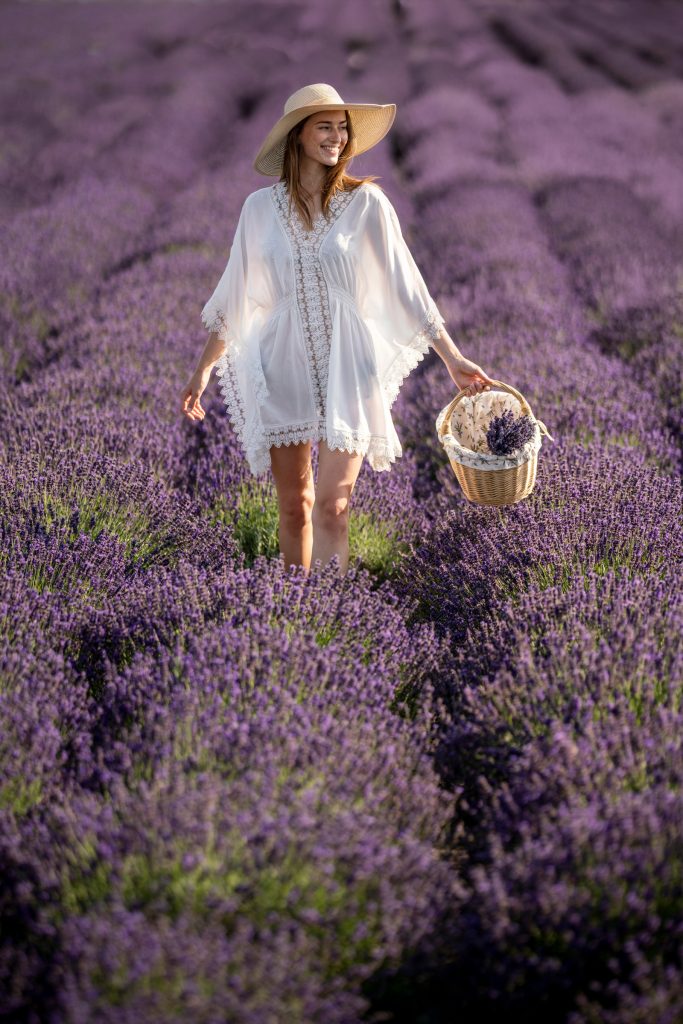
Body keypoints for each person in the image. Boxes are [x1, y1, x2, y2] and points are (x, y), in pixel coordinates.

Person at [181, 83, 495, 575]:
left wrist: (452, 358)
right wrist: (204, 368)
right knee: (294, 505)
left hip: (349, 366)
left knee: (334, 506)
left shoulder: (367, 204)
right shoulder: (258, 209)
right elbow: (237, 296)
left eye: (342, 127)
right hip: (282, 363)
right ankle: (297, 609)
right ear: (298, 136)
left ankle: (332, 608)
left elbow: (407, 286)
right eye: (324, 126)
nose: (337, 136)